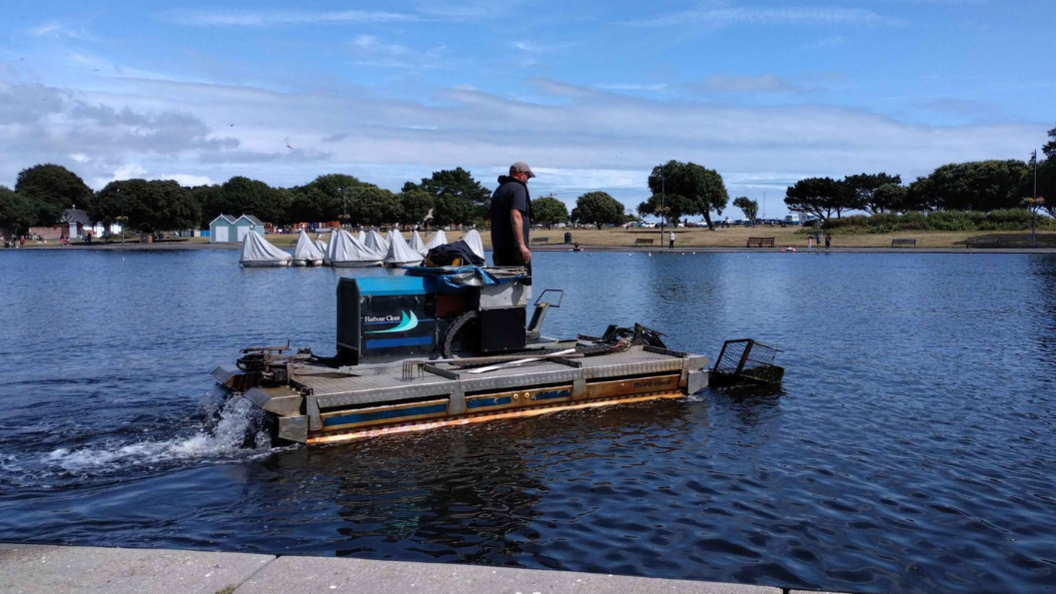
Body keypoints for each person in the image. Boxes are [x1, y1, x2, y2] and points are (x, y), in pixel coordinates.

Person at [490, 161, 535, 277]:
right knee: (522, 284)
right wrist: (522, 246)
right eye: (527, 176)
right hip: (515, 248)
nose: (527, 180)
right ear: (520, 174)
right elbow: (515, 215)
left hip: (499, 247)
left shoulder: (499, 189)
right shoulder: (518, 188)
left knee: (503, 284)